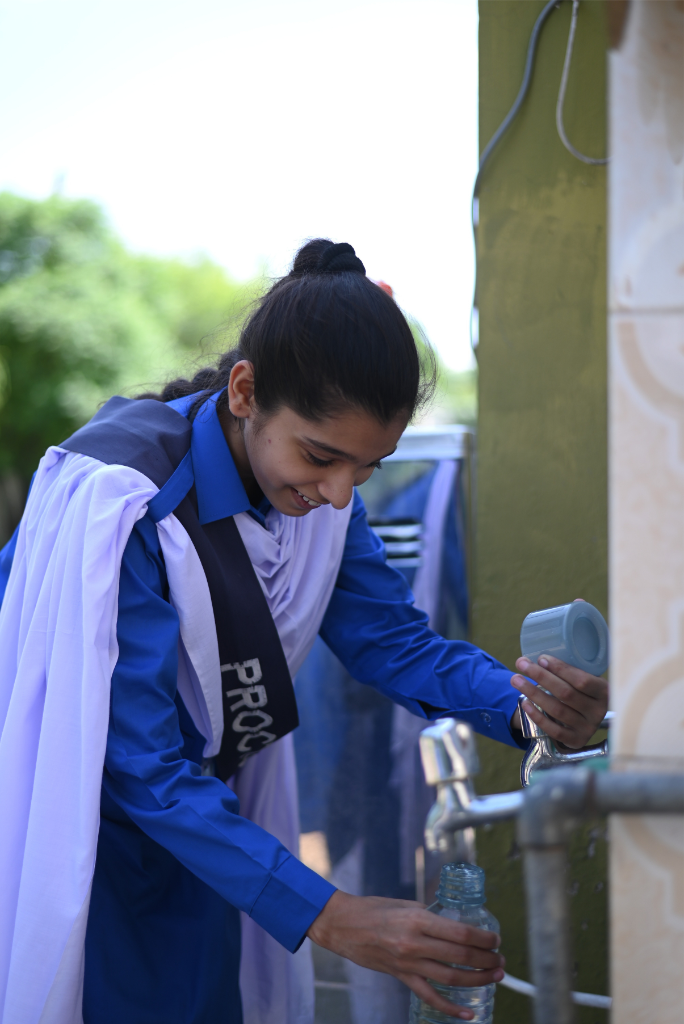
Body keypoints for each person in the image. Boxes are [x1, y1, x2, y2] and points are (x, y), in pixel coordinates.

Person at [0, 239, 608, 1024]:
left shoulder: (319, 493)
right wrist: (331, 915)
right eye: (320, 456)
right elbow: (140, 767)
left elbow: (396, 644)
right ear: (246, 392)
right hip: (77, 826)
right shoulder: (122, 504)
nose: (335, 494)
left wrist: (527, 708)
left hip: (206, 833)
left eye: (365, 470)